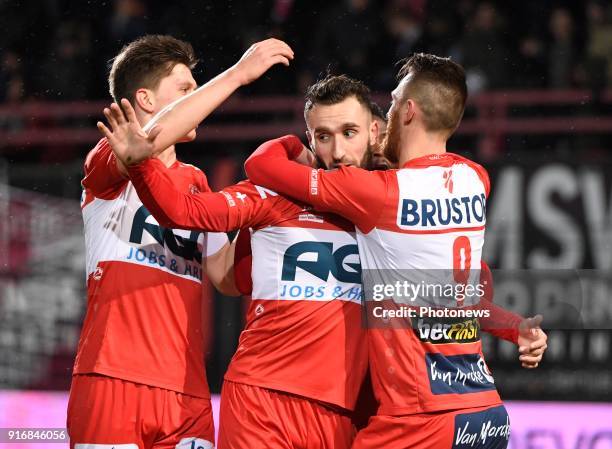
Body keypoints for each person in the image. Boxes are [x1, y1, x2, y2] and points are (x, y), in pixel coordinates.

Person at [244, 54, 548, 448]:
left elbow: (260, 166)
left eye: (390, 105)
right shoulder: (475, 179)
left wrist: (294, 141)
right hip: (483, 414)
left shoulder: (378, 192)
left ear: (408, 111)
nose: (384, 116)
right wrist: (515, 327)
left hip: (419, 420)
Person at [98, 74, 380, 449]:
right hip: (261, 401)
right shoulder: (277, 193)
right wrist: (140, 165)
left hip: (345, 409)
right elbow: (184, 209)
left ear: (374, 132)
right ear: (310, 140)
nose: (339, 152)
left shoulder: (391, 202)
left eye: (350, 132)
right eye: (324, 136)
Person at [69, 35, 294, 449]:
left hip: (187, 392)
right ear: (146, 99)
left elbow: (226, 278)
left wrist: (269, 218)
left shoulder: (195, 183)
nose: (200, 100)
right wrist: (238, 75)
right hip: (113, 378)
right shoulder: (108, 160)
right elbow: (144, 145)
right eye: (186, 89)